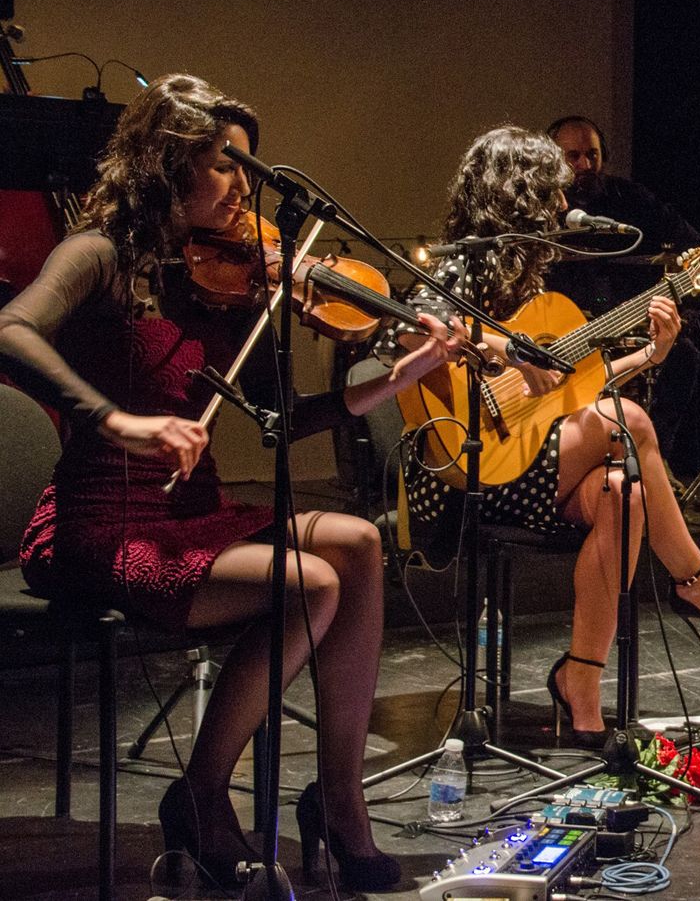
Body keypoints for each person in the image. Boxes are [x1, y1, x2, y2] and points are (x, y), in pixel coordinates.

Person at [0, 75, 466, 890]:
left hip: (191, 511)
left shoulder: (214, 284)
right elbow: (10, 329)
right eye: (226, 166)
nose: (244, 190)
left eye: (248, 170)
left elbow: (282, 417)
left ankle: (340, 799)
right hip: (102, 524)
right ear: (166, 162)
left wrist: (402, 374)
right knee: (313, 584)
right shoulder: (99, 255)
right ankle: (203, 791)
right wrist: (116, 420)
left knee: (358, 543)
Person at [391, 126, 700, 747]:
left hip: (530, 460)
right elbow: (409, 334)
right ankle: (696, 582)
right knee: (635, 422)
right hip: (465, 472)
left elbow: (572, 389)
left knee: (625, 495)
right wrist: (510, 352)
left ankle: (581, 681)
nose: (563, 204)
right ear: (517, 196)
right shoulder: (462, 265)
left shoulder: (536, 288)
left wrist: (651, 354)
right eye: (551, 192)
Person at [545, 115, 700, 469]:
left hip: (627, 321)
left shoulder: (630, 197)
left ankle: (653, 459)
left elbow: (689, 240)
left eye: (592, 154)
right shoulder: (540, 205)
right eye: (573, 156)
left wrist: (684, 269)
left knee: (685, 355)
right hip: (562, 329)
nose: (585, 165)